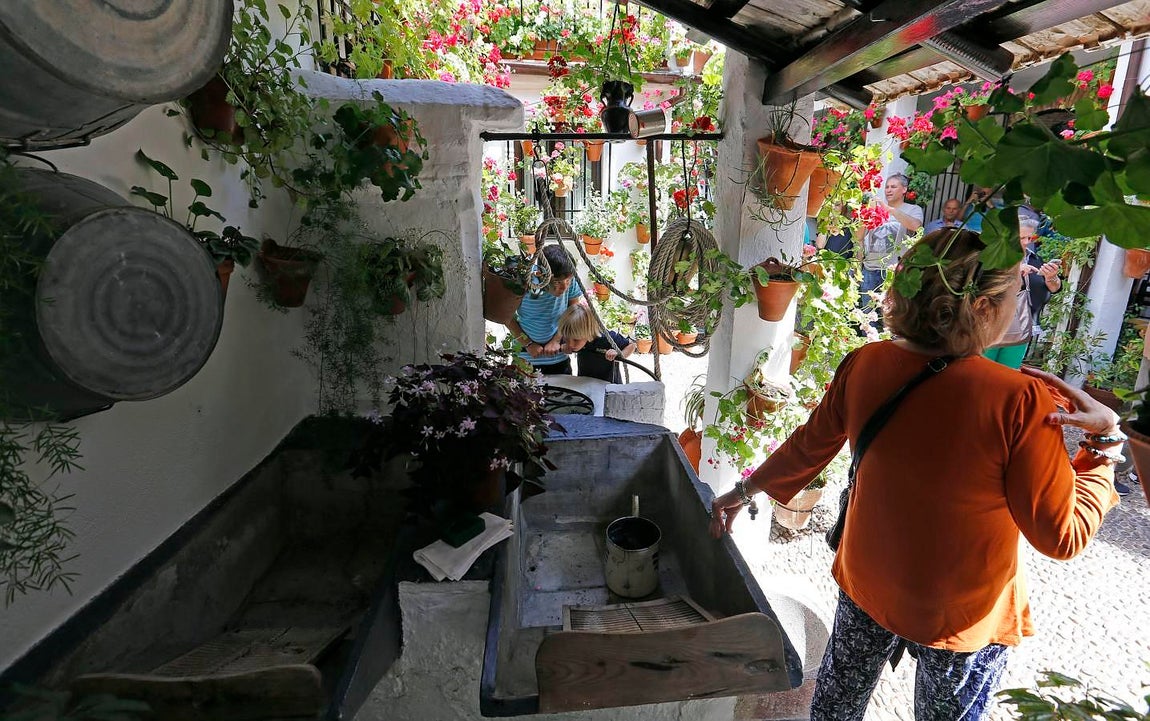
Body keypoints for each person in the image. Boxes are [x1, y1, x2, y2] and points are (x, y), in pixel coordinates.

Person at [710, 228, 1120, 721]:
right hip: (961, 611)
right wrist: (1104, 447)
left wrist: (741, 491)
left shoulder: (867, 363)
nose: (1018, 307)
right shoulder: (1018, 400)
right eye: (1014, 295)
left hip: (869, 582)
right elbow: (1062, 536)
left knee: (836, 708)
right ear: (984, 308)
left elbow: (809, 446)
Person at [983, 218, 1062, 369]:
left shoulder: (1034, 258)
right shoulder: (995, 257)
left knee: (1008, 374)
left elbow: (1054, 288)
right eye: (1021, 238)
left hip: (1022, 327)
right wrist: (1014, 271)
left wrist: (1051, 277)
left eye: (1030, 238)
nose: (1026, 242)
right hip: (993, 325)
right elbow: (984, 284)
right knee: (982, 371)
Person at [504, 244, 587, 375]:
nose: (564, 287)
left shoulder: (569, 279)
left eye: (568, 281)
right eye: (557, 282)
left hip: (557, 354)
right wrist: (528, 344)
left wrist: (556, 340)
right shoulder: (524, 282)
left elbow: (572, 315)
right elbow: (507, 318)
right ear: (540, 275)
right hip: (525, 355)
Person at [858, 174, 924, 314]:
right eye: (887, 187)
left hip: (894, 272)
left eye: (893, 187)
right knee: (867, 319)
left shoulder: (913, 209)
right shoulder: (875, 209)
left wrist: (889, 210)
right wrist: (866, 214)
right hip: (870, 269)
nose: (888, 190)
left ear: (904, 189)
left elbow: (916, 226)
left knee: (891, 320)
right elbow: (858, 237)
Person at [558, 304, 637, 383]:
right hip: (586, 383)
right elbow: (562, 344)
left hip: (609, 385)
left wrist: (619, 354)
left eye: (576, 340)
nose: (570, 344)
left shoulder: (606, 338)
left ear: (588, 332)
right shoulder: (574, 335)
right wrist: (563, 347)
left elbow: (631, 344)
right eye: (567, 339)